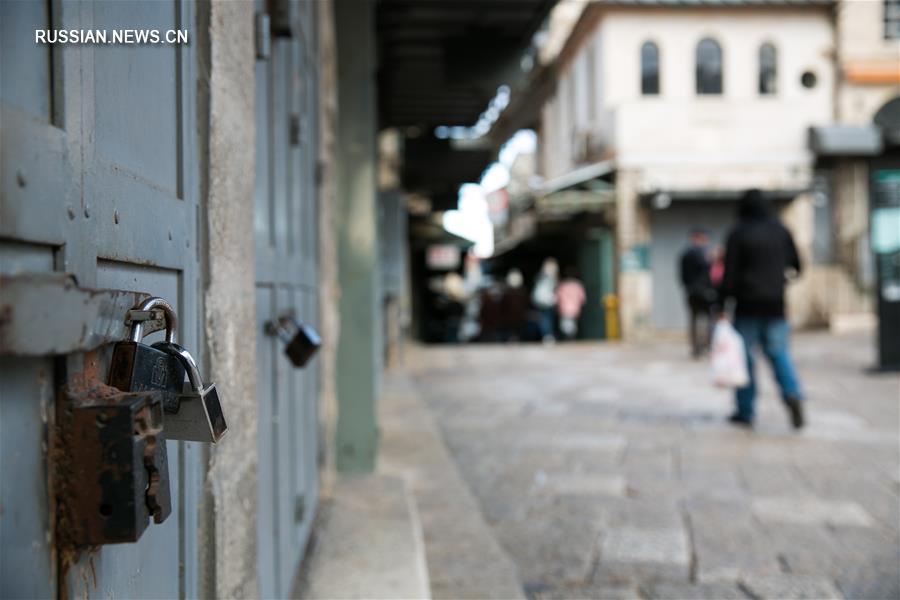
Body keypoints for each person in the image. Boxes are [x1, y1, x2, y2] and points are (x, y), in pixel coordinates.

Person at [721, 189, 805, 429]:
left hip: (747, 306)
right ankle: (793, 394)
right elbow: (797, 266)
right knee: (779, 354)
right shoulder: (780, 230)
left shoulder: (738, 232)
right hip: (776, 305)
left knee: (745, 360)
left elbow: (730, 274)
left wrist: (721, 301)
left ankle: (745, 411)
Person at [679, 228, 716, 357]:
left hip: (692, 292)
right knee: (708, 319)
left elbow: (682, 276)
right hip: (703, 292)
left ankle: (697, 347)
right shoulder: (702, 255)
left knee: (695, 320)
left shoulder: (686, 254)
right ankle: (706, 346)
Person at [531, 258, 559, 343]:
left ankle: (547, 335)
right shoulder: (545, 277)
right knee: (545, 319)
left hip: (547, 302)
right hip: (545, 301)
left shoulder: (545, 277)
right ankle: (547, 335)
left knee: (547, 319)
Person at [555, 268, 586, 340]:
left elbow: (557, 298)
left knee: (565, 324)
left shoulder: (562, 285)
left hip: (564, 308)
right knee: (573, 324)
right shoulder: (578, 285)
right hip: (575, 308)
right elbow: (583, 299)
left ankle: (568, 337)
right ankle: (571, 337)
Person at [499, 269, 528, 342]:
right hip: (511, 317)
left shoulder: (520, 291)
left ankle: (514, 338)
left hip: (516, 316)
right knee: (512, 329)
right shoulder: (508, 292)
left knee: (516, 329)